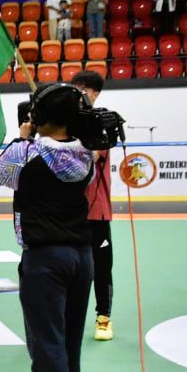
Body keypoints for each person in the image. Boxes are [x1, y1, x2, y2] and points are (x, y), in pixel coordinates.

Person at [0, 83, 96, 372]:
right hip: (81, 255)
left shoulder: (29, 153)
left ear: (39, 118)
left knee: (45, 340)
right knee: (69, 338)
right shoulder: (85, 154)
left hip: (45, 257)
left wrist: (22, 137)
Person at [70, 72, 115, 342]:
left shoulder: (102, 123)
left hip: (97, 210)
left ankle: (103, 318)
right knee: (71, 268)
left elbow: (91, 157)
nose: (79, 94)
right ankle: (68, 318)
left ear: (96, 93)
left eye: (84, 90)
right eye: (76, 89)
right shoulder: (65, 124)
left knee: (101, 268)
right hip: (69, 211)